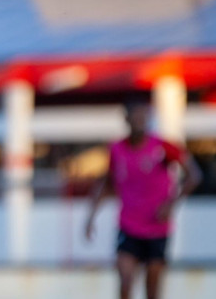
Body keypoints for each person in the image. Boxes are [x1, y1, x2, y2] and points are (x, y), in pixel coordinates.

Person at [85, 98, 202, 299]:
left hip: (157, 228)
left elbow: (195, 175)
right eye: (136, 116)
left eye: (144, 116)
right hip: (128, 226)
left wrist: (171, 204)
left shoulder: (164, 147)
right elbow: (107, 183)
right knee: (126, 280)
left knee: (152, 288)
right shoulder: (116, 149)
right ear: (127, 119)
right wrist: (91, 216)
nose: (140, 121)